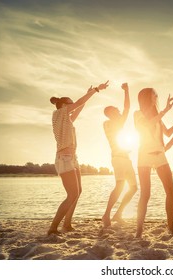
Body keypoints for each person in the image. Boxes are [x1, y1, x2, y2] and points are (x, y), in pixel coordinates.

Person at [48, 80, 109, 235]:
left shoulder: (66, 119)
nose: (73, 105)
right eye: (70, 103)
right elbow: (79, 103)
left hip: (72, 157)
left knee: (78, 191)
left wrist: (88, 93)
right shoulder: (58, 113)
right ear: (63, 105)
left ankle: (67, 224)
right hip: (65, 158)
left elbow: (79, 107)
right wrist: (95, 90)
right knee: (72, 194)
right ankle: (53, 227)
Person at [134, 88, 173, 238]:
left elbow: (167, 133)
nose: (156, 96)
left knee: (170, 190)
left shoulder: (158, 116)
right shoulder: (138, 114)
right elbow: (148, 125)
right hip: (144, 156)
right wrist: (166, 110)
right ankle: (139, 229)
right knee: (145, 194)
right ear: (146, 97)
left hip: (160, 156)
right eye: (154, 94)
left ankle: (171, 226)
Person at [101, 83, 137, 228]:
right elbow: (127, 108)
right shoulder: (108, 123)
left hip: (125, 159)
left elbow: (126, 109)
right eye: (116, 110)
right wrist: (126, 91)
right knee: (119, 186)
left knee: (134, 187)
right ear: (110, 113)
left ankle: (118, 214)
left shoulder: (116, 123)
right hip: (118, 159)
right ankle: (106, 215)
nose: (119, 111)